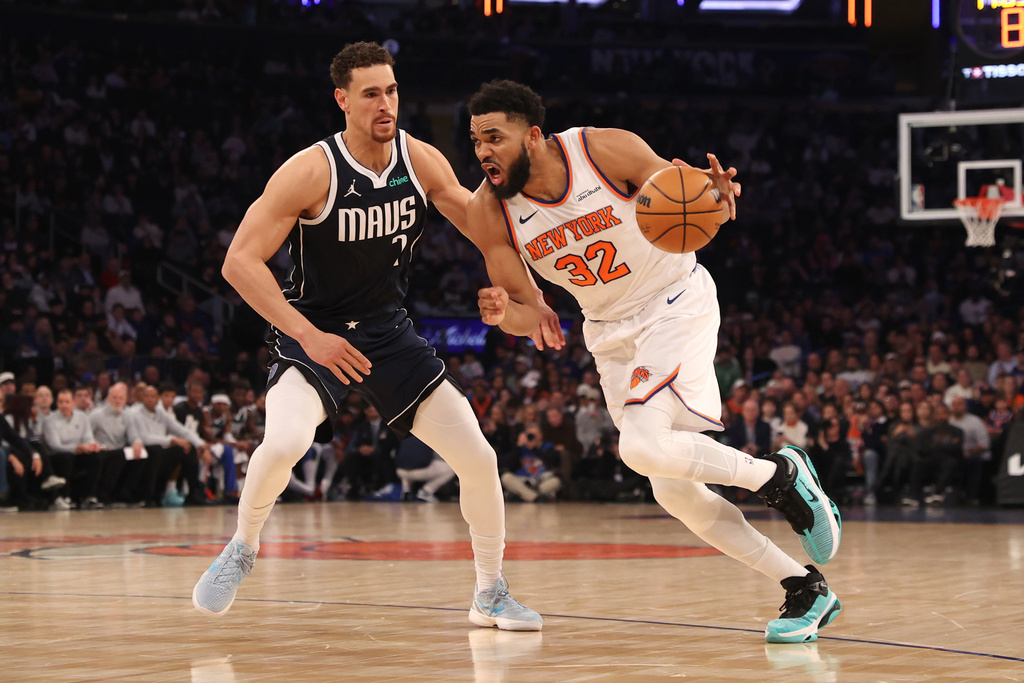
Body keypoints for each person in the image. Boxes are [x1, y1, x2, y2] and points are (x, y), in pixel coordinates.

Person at [192, 42, 552, 631]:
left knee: (479, 458)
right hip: (315, 331)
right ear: (342, 101)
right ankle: (242, 547)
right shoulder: (310, 170)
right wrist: (310, 337)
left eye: (391, 90)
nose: (386, 103)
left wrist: (527, 293)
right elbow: (240, 262)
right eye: (371, 94)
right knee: (283, 445)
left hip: (388, 332)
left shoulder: (421, 159)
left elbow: (484, 231)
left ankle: (489, 592)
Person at [466, 79, 842, 643]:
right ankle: (803, 588)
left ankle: (778, 475)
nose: (483, 152)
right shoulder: (489, 209)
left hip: (674, 301)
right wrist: (502, 314)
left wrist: (713, 196)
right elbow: (534, 316)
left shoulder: (602, 150)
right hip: (609, 333)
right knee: (670, 486)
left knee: (640, 447)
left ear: (534, 136)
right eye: (475, 141)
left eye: (494, 137)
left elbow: (687, 194)